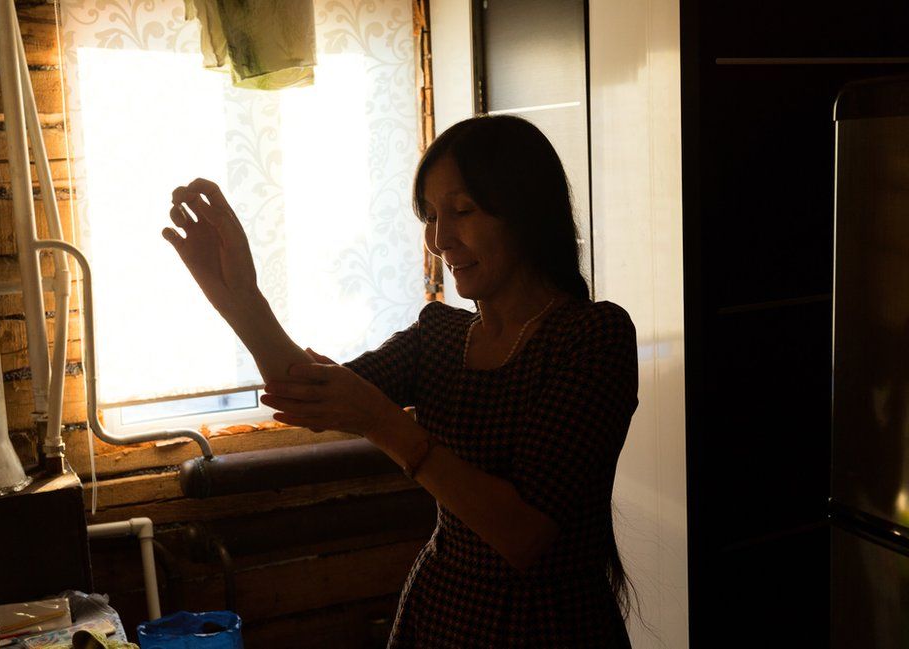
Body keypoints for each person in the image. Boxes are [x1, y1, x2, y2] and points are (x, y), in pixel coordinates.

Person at [162, 114, 639, 647]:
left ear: (527, 212)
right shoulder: (440, 335)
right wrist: (239, 295)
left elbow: (525, 537)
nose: (439, 239)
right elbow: (308, 393)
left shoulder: (592, 337)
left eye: (462, 211)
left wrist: (381, 422)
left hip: (550, 627)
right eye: (430, 216)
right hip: (441, 612)